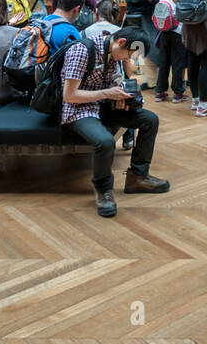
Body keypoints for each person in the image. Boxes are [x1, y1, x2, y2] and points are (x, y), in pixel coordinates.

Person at [61, 23, 170, 218]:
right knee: (105, 142)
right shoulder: (82, 50)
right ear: (120, 42)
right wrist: (107, 93)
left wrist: (120, 98)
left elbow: (114, 83)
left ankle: (137, 177)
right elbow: (69, 96)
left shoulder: (114, 53)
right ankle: (103, 190)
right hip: (79, 109)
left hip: (103, 105)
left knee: (150, 120)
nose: (128, 59)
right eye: (128, 55)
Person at [153, 0, 189, 104]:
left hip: (163, 32)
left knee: (164, 63)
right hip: (178, 33)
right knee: (178, 64)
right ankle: (178, 93)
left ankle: (160, 92)